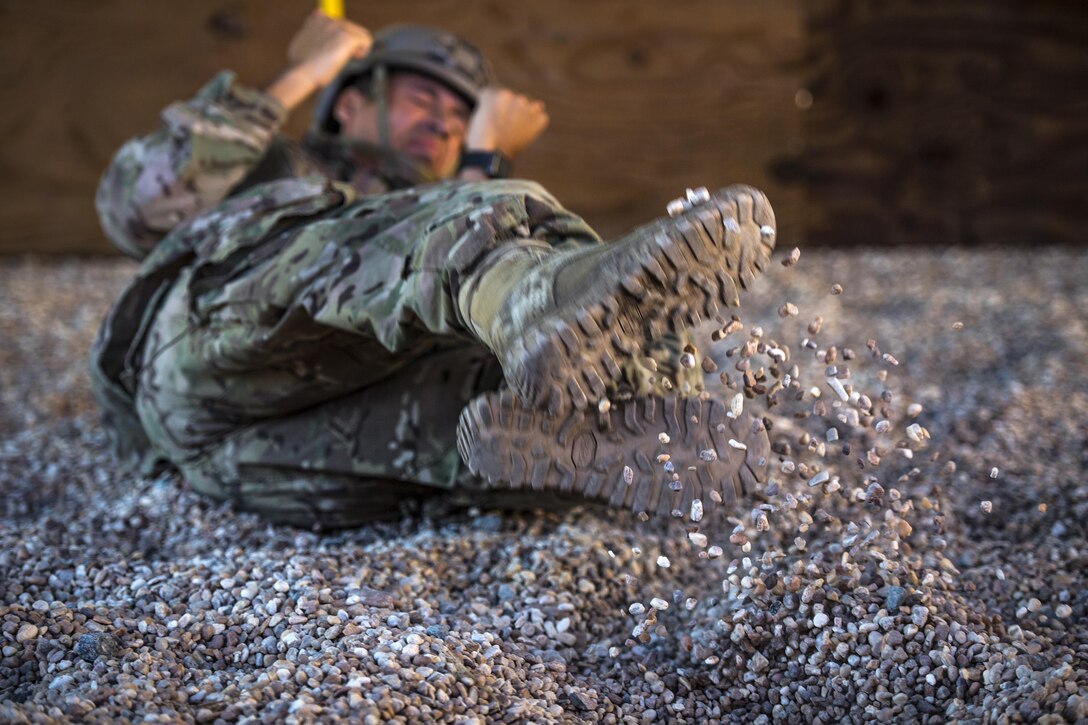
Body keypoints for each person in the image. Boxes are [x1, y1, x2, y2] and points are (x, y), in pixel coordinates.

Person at [91, 12, 777, 529]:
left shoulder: (430, 208)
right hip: (204, 365)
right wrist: (307, 71)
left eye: (460, 118)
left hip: (270, 466)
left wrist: (482, 158)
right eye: (425, 100)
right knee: (505, 239)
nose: (446, 125)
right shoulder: (280, 170)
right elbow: (139, 204)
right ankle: (551, 330)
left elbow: (436, 237)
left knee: (496, 404)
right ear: (351, 102)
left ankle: (632, 419)